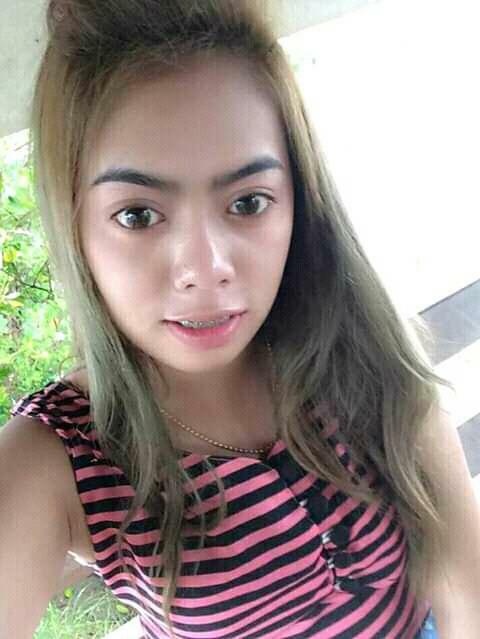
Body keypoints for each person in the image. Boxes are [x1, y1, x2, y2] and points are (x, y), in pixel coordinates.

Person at [5, 1, 475, 637]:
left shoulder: (354, 346)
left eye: (248, 202)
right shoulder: (60, 456)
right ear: (74, 224)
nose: (205, 268)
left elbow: (464, 583)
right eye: (138, 215)